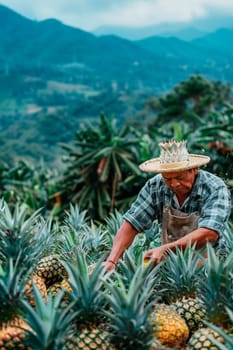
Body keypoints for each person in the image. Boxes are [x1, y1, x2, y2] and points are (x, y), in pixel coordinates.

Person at [105, 140, 231, 271]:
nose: (174, 184)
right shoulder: (155, 186)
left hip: (210, 266)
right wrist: (112, 261)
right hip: (170, 267)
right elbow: (132, 223)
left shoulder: (214, 188)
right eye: (168, 179)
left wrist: (165, 249)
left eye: (179, 177)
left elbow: (210, 233)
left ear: (194, 170)